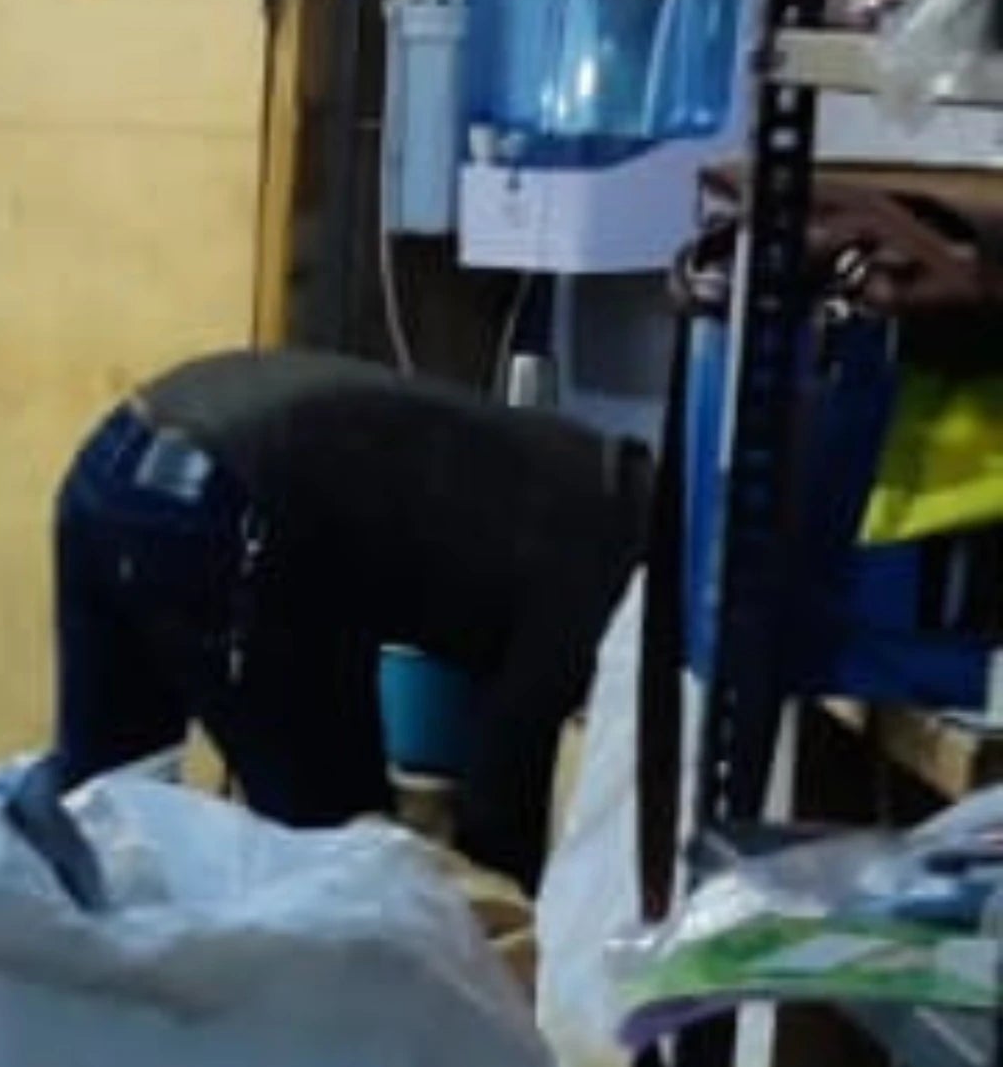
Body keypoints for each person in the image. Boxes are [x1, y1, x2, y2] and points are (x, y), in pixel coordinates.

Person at [49, 348, 650, 890]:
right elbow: (504, 787)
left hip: (119, 450)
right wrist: (502, 937)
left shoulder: (572, 472)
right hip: (229, 499)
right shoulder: (613, 564)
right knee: (334, 868)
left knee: (99, 816)